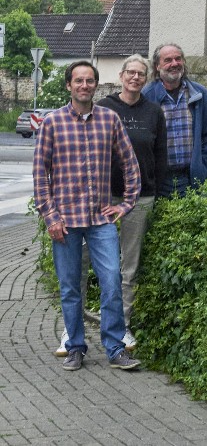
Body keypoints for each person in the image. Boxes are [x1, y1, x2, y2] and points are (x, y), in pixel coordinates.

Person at [33, 60, 142, 372]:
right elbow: (40, 174)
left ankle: (115, 348)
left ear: (96, 85)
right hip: (64, 223)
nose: (84, 85)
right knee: (69, 288)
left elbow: (130, 165)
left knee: (110, 283)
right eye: (78, 81)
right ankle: (76, 347)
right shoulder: (52, 123)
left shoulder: (109, 119)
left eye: (89, 80)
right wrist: (50, 217)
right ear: (69, 85)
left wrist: (124, 205)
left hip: (100, 221)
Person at [98, 54, 168, 348]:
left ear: (146, 78)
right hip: (104, 196)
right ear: (121, 75)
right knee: (95, 261)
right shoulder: (104, 108)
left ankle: (122, 326)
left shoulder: (154, 112)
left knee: (130, 265)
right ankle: (78, 323)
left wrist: (161, 193)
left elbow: (160, 157)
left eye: (141, 74)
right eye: (131, 73)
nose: (136, 78)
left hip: (140, 197)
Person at [142, 43, 207, 197]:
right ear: (157, 66)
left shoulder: (199, 94)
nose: (174, 64)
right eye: (168, 60)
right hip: (159, 181)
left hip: (190, 179)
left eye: (178, 59)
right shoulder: (147, 96)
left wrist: (202, 165)